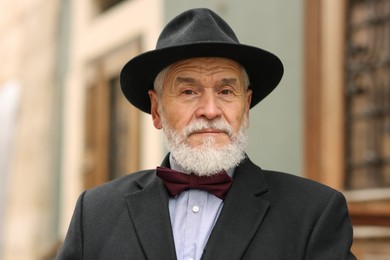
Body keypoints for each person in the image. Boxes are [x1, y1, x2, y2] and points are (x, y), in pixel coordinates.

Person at [56, 8, 356, 260]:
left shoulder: (314, 213)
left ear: (246, 106)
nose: (210, 110)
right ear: (157, 109)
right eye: (188, 91)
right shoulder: (95, 213)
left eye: (226, 91)